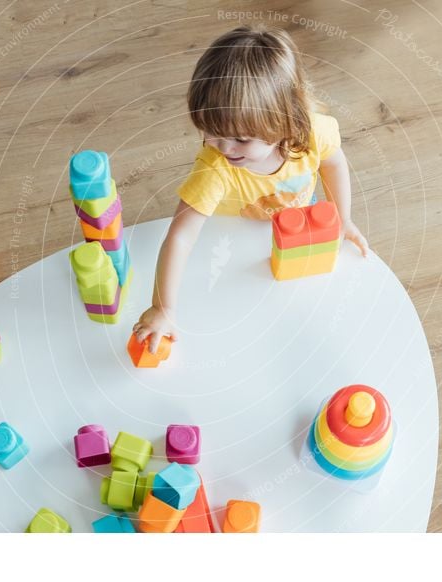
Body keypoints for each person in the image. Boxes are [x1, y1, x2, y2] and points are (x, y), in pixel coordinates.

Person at [132, 25, 369, 353]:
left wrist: (343, 219)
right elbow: (181, 236)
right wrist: (163, 308)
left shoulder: (314, 134)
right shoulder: (215, 167)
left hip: (294, 231)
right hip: (233, 240)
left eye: (241, 139)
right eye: (211, 131)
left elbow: (333, 164)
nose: (224, 148)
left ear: (286, 121)